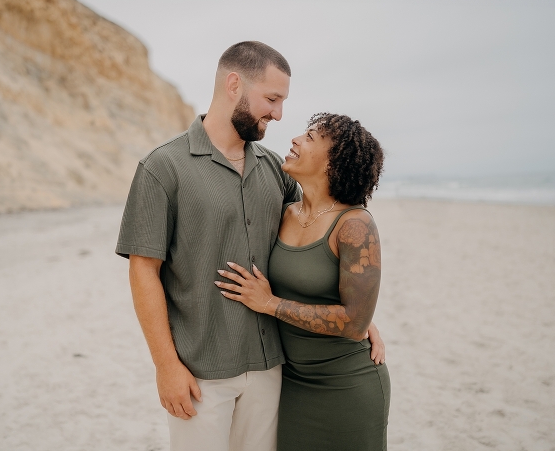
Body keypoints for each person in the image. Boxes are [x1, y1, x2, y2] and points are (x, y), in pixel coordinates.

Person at [116, 42, 384, 451]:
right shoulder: (162, 168)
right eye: (271, 99)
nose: (277, 114)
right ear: (234, 84)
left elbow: (322, 227)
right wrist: (166, 366)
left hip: (272, 370)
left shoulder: (275, 169)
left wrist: (360, 317)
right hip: (200, 372)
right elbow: (143, 270)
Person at [215, 113, 390, 450]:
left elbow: (355, 324)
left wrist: (270, 304)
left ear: (334, 163)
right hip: (292, 383)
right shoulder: (284, 212)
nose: (295, 139)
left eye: (310, 137)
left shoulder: (354, 225)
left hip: (347, 385)